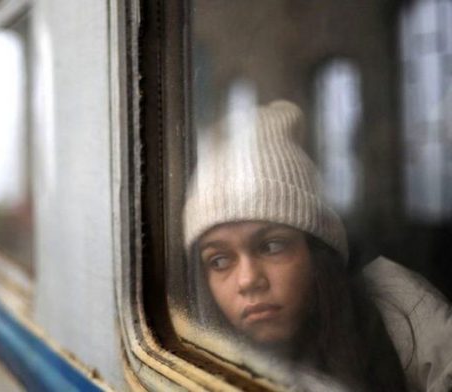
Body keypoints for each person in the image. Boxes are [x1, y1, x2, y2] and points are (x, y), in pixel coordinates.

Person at [183, 101, 452, 392]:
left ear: (316, 251)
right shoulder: (190, 345)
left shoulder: (400, 312)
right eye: (219, 261)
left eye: (272, 246)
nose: (248, 280)